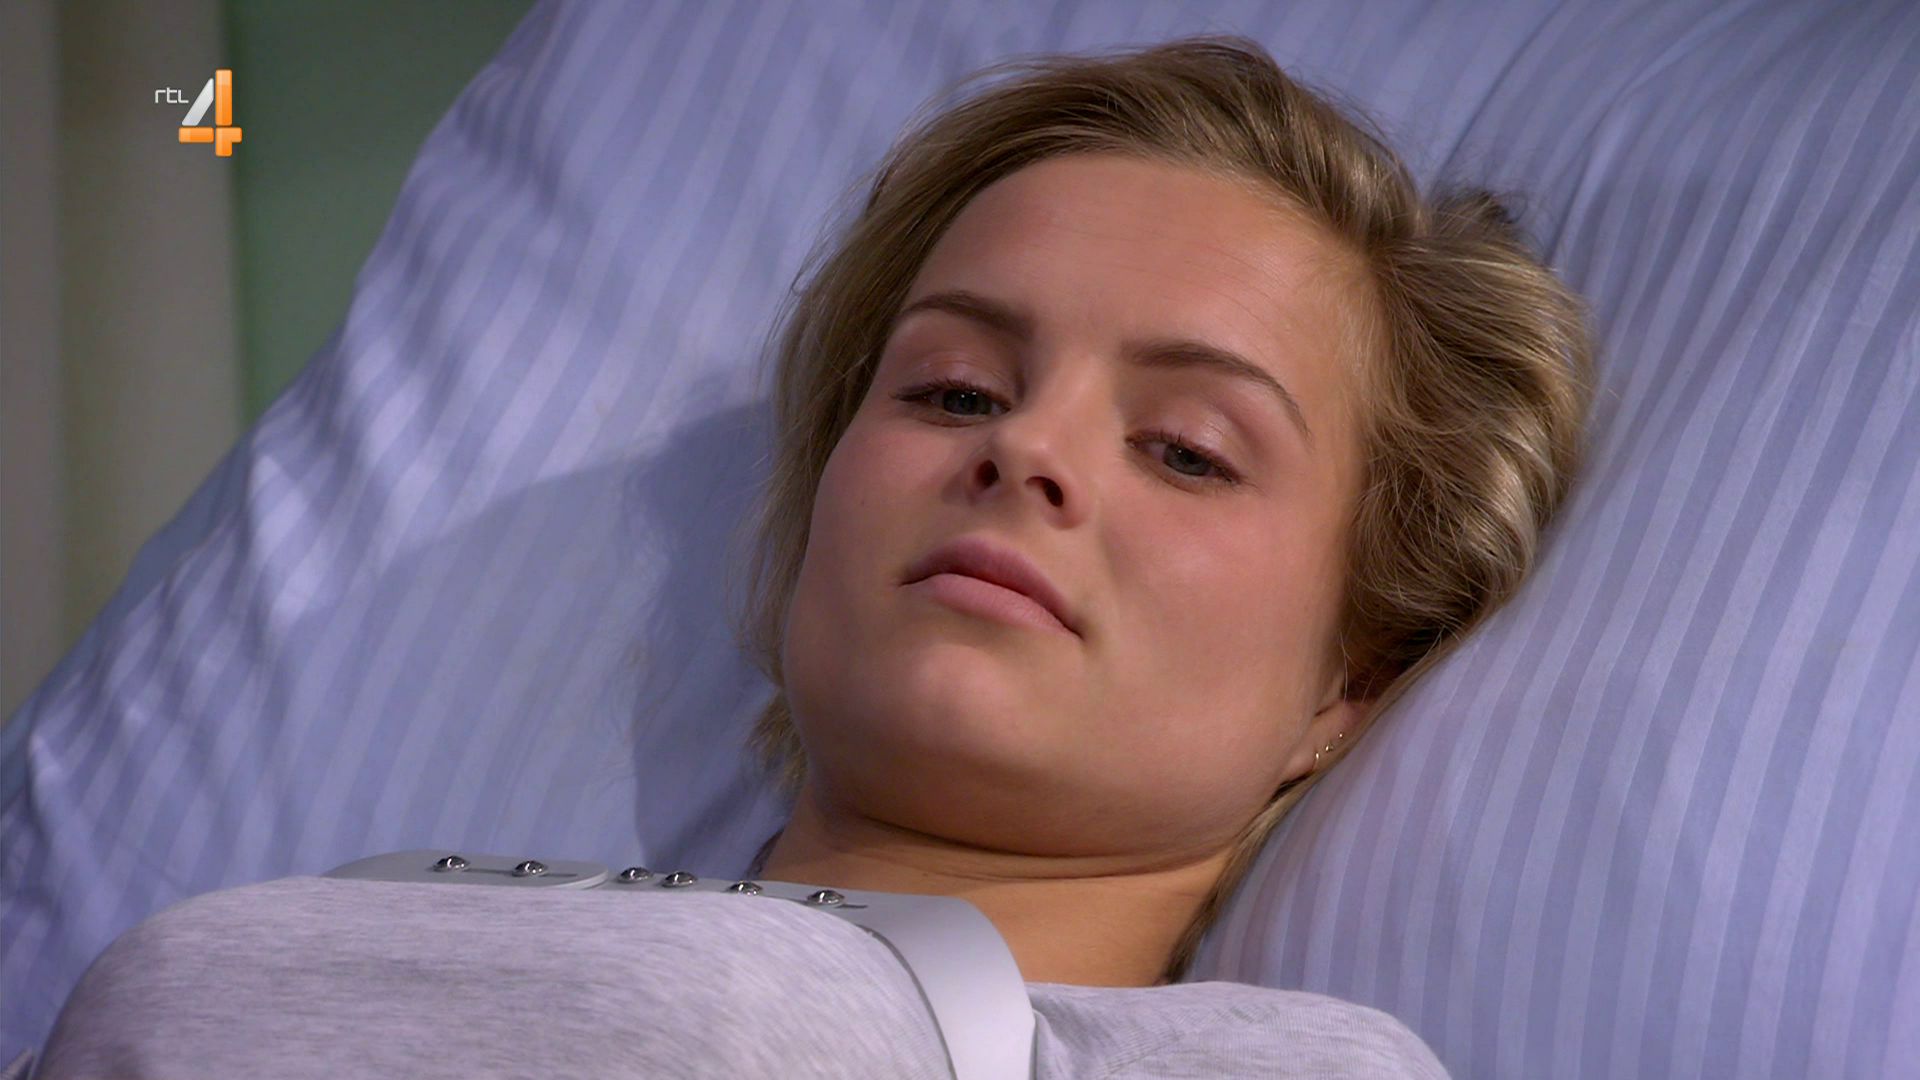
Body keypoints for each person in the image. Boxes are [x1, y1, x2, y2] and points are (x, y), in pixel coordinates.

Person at [32, 33, 1591, 1080]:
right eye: (955, 390)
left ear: (1349, 676)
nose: (1025, 449)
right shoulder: (399, 907)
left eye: (1187, 447)